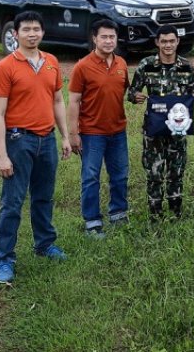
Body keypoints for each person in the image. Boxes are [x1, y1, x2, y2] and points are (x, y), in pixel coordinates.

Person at [0, 10, 72, 285]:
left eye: (36, 29)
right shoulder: (6, 67)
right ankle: (4, 258)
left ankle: (44, 244)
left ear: (43, 32)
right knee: (12, 202)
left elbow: (57, 101)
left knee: (43, 197)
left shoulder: (51, 62)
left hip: (46, 140)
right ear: (16, 34)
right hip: (18, 141)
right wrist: (2, 155)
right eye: (26, 29)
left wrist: (64, 136)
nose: (32, 34)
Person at [128, 26, 194, 220]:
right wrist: (136, 96)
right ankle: (155, 214)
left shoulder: (186, 66)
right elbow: (132, 91)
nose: (168, 45)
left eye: (171, 41)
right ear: (157, 42)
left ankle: (175, 211)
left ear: (177, 42)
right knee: (154, 172)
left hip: (178, 128)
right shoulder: (146, 65)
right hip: (154, 128)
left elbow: (193, 90)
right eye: (164, 41)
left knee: (176, 171)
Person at [67, 18, 129, 240]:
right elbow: (73, 101)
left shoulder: (121, 64)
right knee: (91, 177)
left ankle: (118, 214)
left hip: (118, 131)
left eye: (112, 37)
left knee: (120, 175)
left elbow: (123, 91)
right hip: (92, 133)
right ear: (95, 38)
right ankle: (92, 221)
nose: (108, 41)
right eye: (104, 37)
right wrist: (73, 134)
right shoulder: (82, 66)